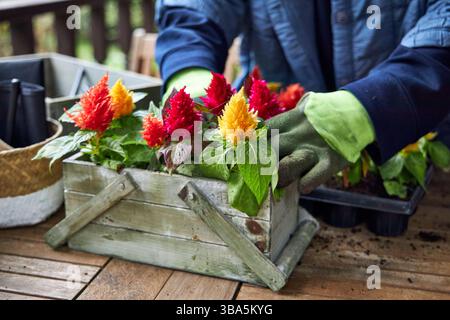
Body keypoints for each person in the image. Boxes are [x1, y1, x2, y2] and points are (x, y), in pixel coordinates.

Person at [155, 0, 450, 192]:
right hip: (275, 136)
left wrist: (369, 108)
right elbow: (196, 9)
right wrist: (190, 77)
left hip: (426, 155)